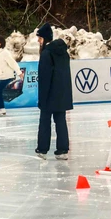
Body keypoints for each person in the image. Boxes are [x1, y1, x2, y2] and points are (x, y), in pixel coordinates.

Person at [35, 23, 72, 160]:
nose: (38, 41)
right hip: (61, 94)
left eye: (39, 38)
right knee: (60, 121)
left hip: (49, 94)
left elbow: (45, 78)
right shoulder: (63, 52)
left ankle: (42, 149)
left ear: (44, 38)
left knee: (45, 121)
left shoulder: (46, 53)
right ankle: (62, 150)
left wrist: (42, 99)